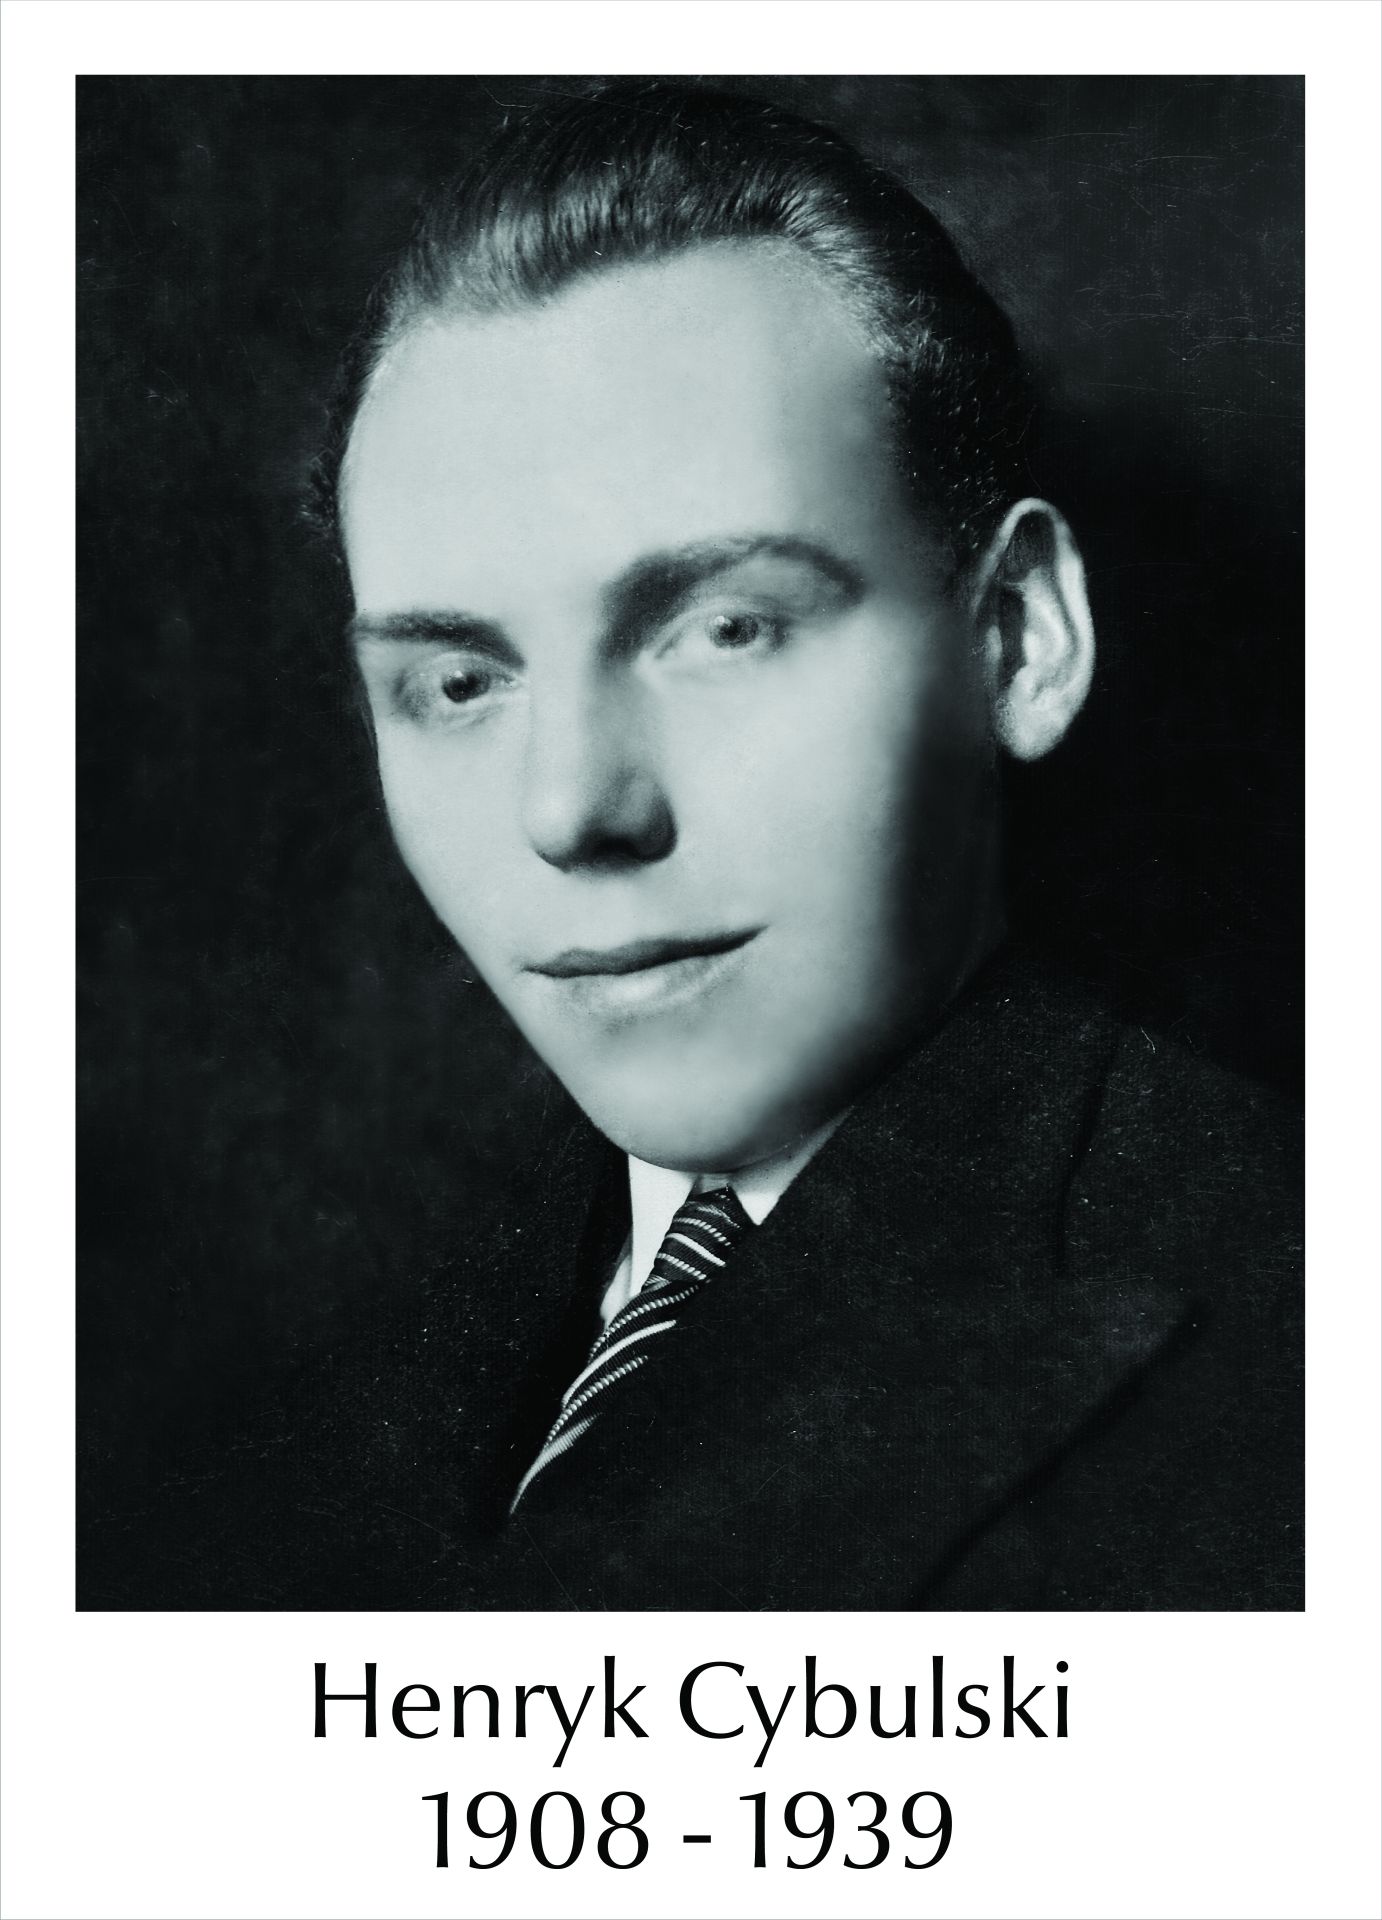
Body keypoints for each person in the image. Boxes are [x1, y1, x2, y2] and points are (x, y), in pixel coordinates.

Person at [88, 81, 1301, 1610]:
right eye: (459, 683)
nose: (568, 808)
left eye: (725, 629)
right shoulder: (263, 1439)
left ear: (1014, 638)